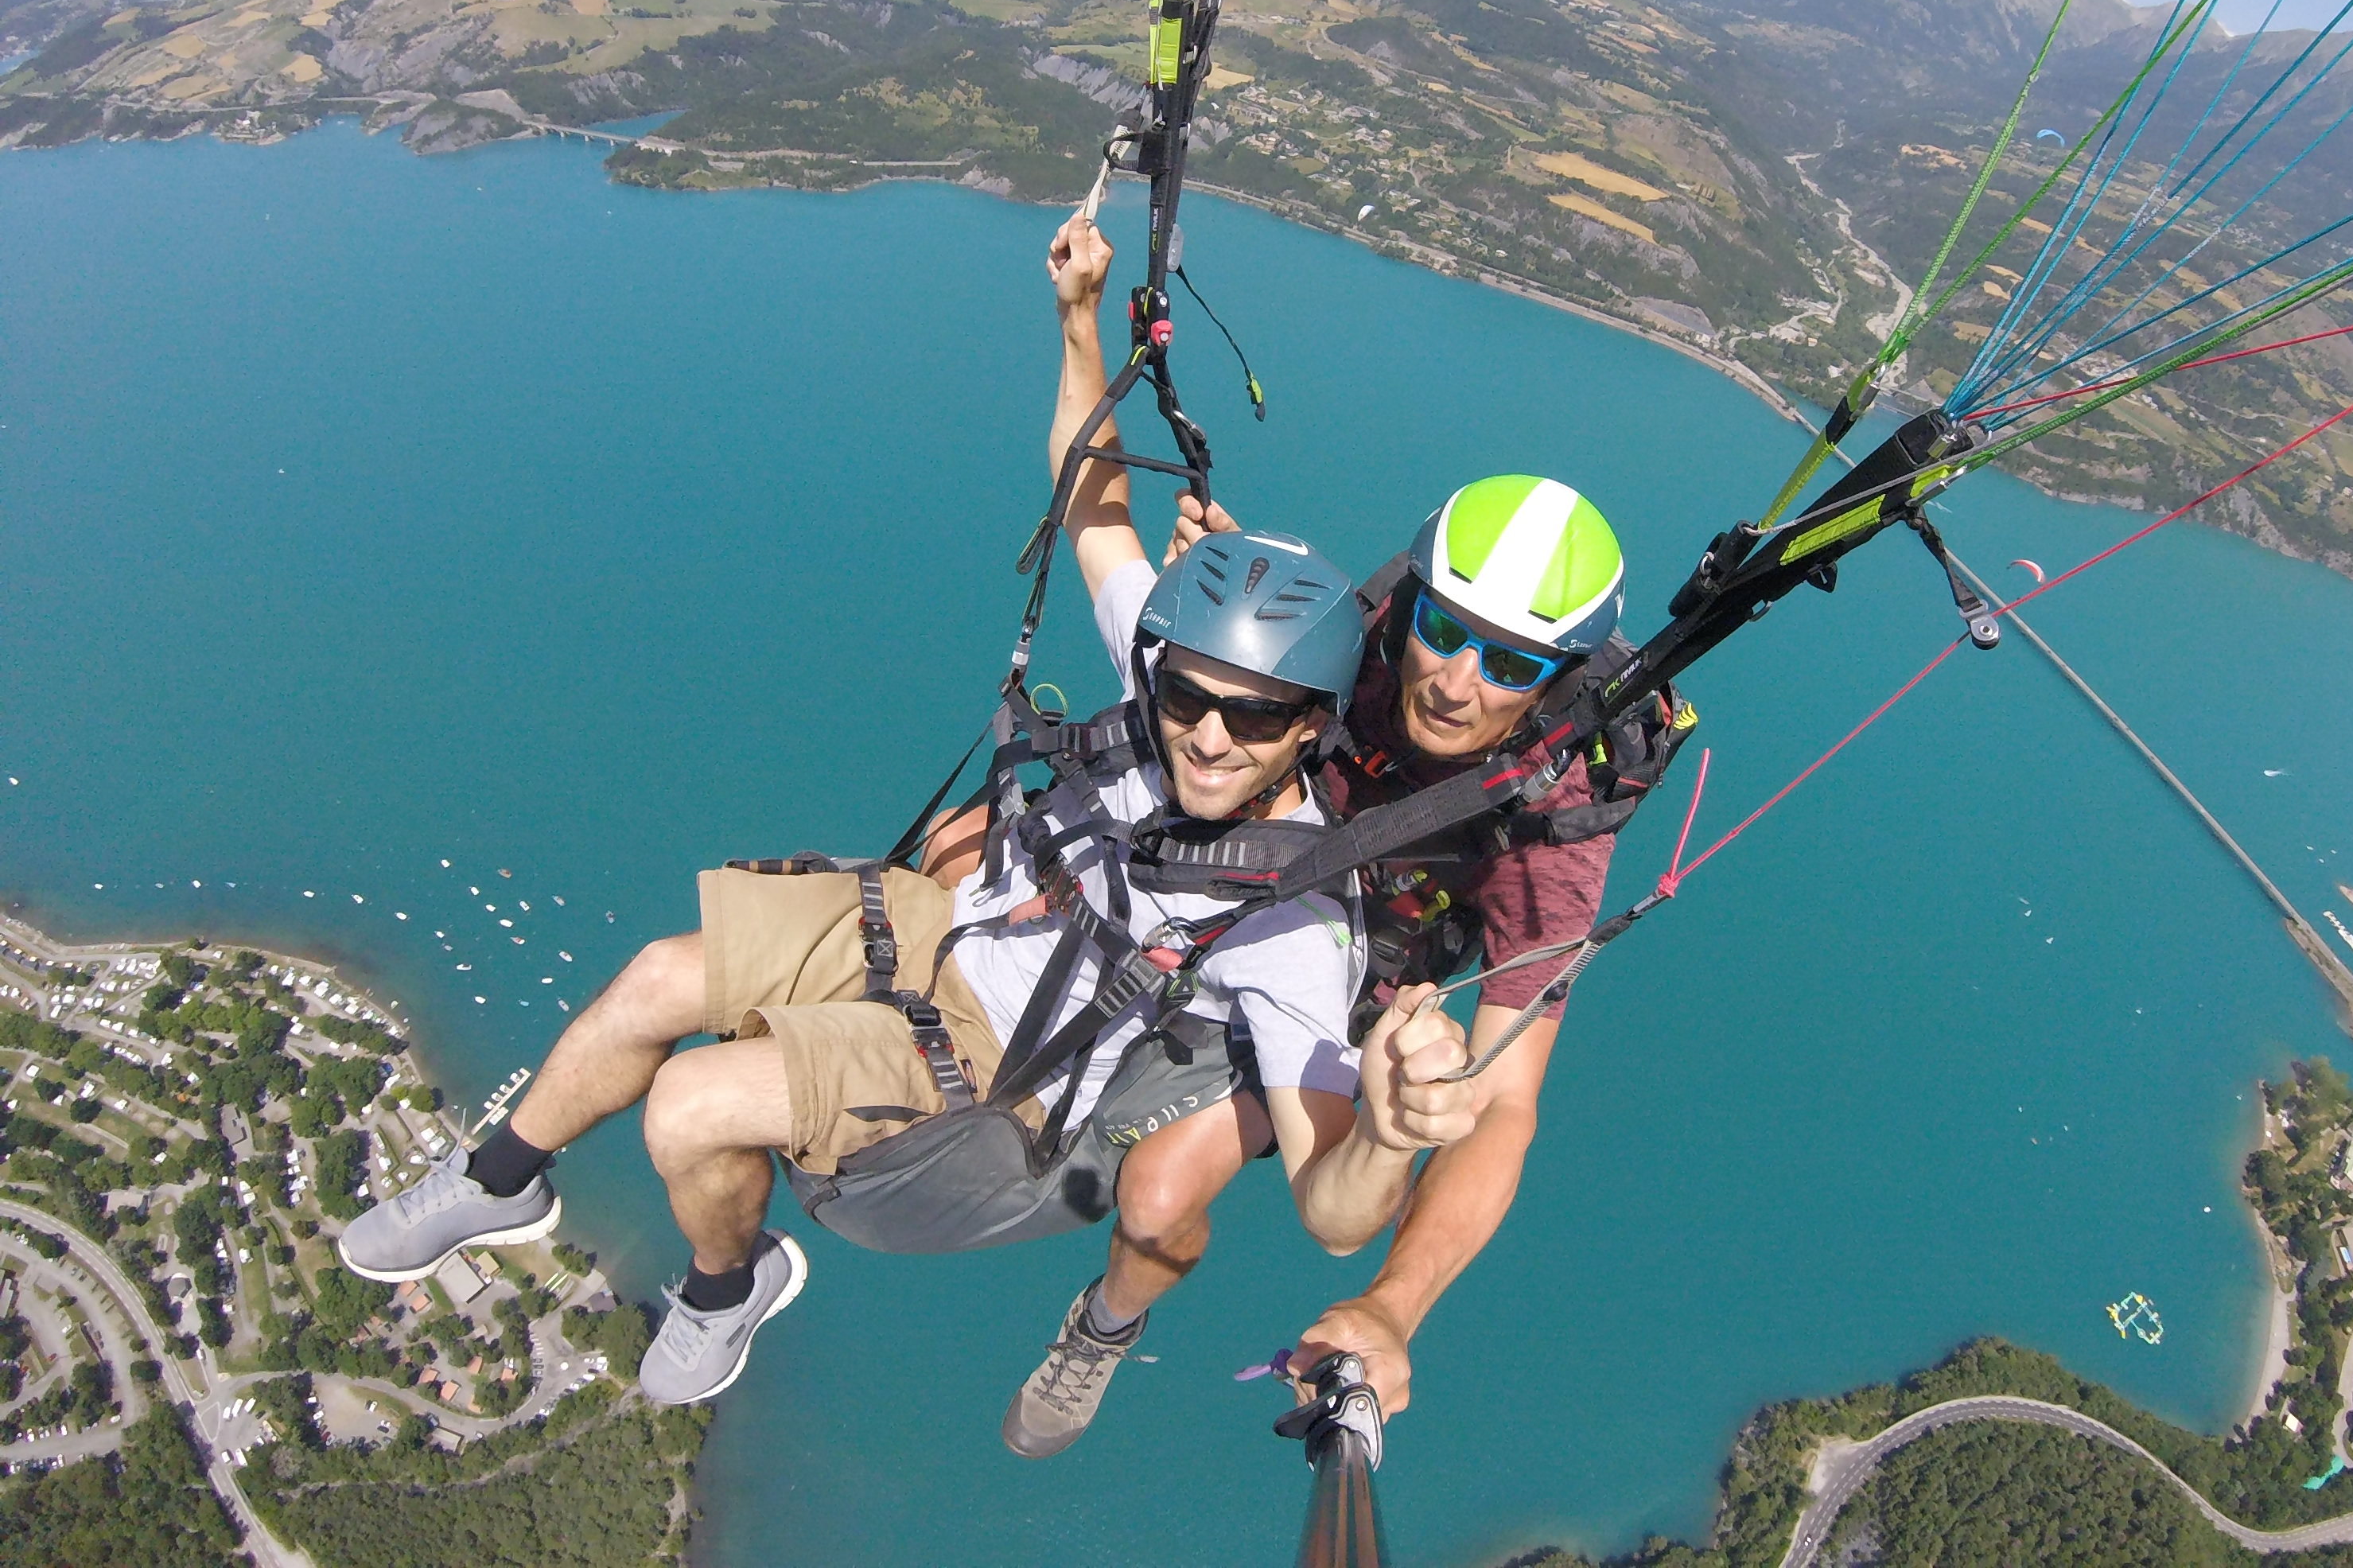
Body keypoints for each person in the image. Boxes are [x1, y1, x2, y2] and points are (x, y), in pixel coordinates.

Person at [338, 210, 1479, 1421]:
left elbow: (1333, 1211)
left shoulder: (1295, 918)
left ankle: (727, 1292)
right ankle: (503, 1176)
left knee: (690, 1106)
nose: (1207, 734)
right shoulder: (1167, 685)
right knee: (653, 982)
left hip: (1004, 1053)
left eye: (1254, 721)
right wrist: (1077, 321)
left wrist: (1392, 1135)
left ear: (1310, 728)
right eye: (1191, 694)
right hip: (942, 923)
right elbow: (1089, 498)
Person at [985, 211, 1685, 1453]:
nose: (1460, 680)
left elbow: (1506, 1099)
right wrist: (1230, 599)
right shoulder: (1354, 646)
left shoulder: (1550, 832)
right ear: (1409, 593)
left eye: (1514, 661)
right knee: (954, 852)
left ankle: (1102, 1328)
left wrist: (1392, 1303)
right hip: (1216, 888)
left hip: (1333, 984)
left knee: (1156, 1197)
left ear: (1564, 674)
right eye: (1445, 626)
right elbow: (1107, 535)